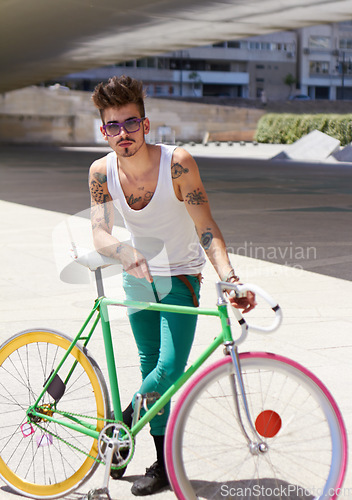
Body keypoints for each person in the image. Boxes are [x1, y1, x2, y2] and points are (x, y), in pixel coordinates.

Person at [89, 75, 256, 496]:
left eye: (130, 124)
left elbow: (206, 226)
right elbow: (100, 233)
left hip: (180, 276)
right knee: (150, 368)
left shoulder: (177, 163)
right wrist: (125, 253)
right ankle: (162, 465)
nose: (122, 134)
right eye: (112, 126)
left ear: (146, 126)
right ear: (103, 130)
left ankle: (121, 425)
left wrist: (230, 279)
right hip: (136, 278)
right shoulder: (101, 172)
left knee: (168, 370)